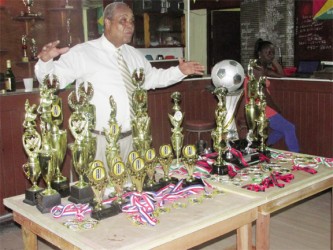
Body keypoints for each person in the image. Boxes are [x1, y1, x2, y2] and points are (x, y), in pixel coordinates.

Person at [35, 2, 205, 166]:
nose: (129, 25)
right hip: (100, 141)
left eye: (131, 20)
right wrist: (45, 63)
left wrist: (180, 71)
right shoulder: (83, 53)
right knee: (101, 193)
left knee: (134, 190)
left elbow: (152, 78)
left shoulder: (134, 55)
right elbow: (53, 81)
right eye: (123, 20)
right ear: (107, 23)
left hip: (134, 138)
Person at [243, 38, 300, 153]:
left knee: (281, 130)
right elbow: (263, 93)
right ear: (260, 54)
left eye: (272, 52)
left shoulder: (263, 68)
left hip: (263, 104)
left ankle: (261, 147)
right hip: (259, 106)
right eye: (268, 52)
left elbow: (281, 74)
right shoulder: (256, 70)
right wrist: (276, 108)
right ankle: (297, 157)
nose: (271, 55)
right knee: (289, 128)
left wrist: (273, 60)